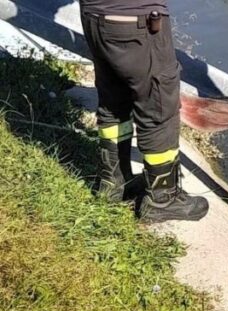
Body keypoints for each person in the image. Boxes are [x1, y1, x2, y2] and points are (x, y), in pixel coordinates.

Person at [80, 0, 208, 222]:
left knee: (114, 100)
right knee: (159, 107)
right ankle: (163, 199)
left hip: (95, 16)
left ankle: (114, 183)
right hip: (137, 23)